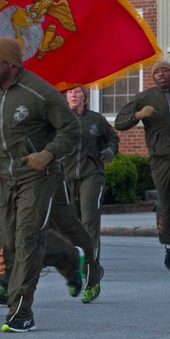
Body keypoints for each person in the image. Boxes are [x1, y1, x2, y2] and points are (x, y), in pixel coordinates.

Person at [0, 37, 82, 333]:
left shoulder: (40, 93)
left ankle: (21, 311)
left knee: (26, 240)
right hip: (3, 179)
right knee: (9, 243)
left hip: (38, 177)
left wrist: (49, 153)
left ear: (11, 62)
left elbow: (71, 128)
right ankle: (70, 259)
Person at [115, 61, 170, 272]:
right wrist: (138, 115)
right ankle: (169, 246)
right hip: (159, 160)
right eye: (156, 72)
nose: (161, 74)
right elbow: (119, 122)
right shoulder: (144, 98)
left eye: (164, 70)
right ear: (153, 77)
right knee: (165, 205)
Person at [63, 86, 119, 262]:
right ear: (65, 96)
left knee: (89, 219)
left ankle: (91, 262)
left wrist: (110, 149)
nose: (74, 95)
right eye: (70, 92)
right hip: (66, 176)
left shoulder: (96, 119)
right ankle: (75, 259)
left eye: (78, 92)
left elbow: (113, 138)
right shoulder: (60, 120)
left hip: (91, 174)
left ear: (85, 96)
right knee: (72, 223)